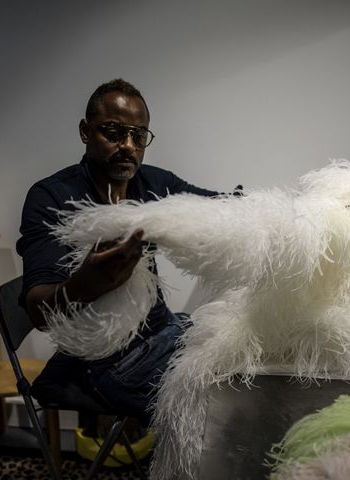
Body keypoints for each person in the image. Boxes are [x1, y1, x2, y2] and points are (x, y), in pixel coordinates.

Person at [16, 79, 218, 420]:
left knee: (249, 356)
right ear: (85, 131)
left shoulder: (153, 184)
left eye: (139, 136)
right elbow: (38, 312)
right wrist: (86, 284)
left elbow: (218, 207)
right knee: (229, 401)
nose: (128, 145)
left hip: (162, 331)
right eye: (113, 132)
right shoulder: (52, 198)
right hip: (106, 363)